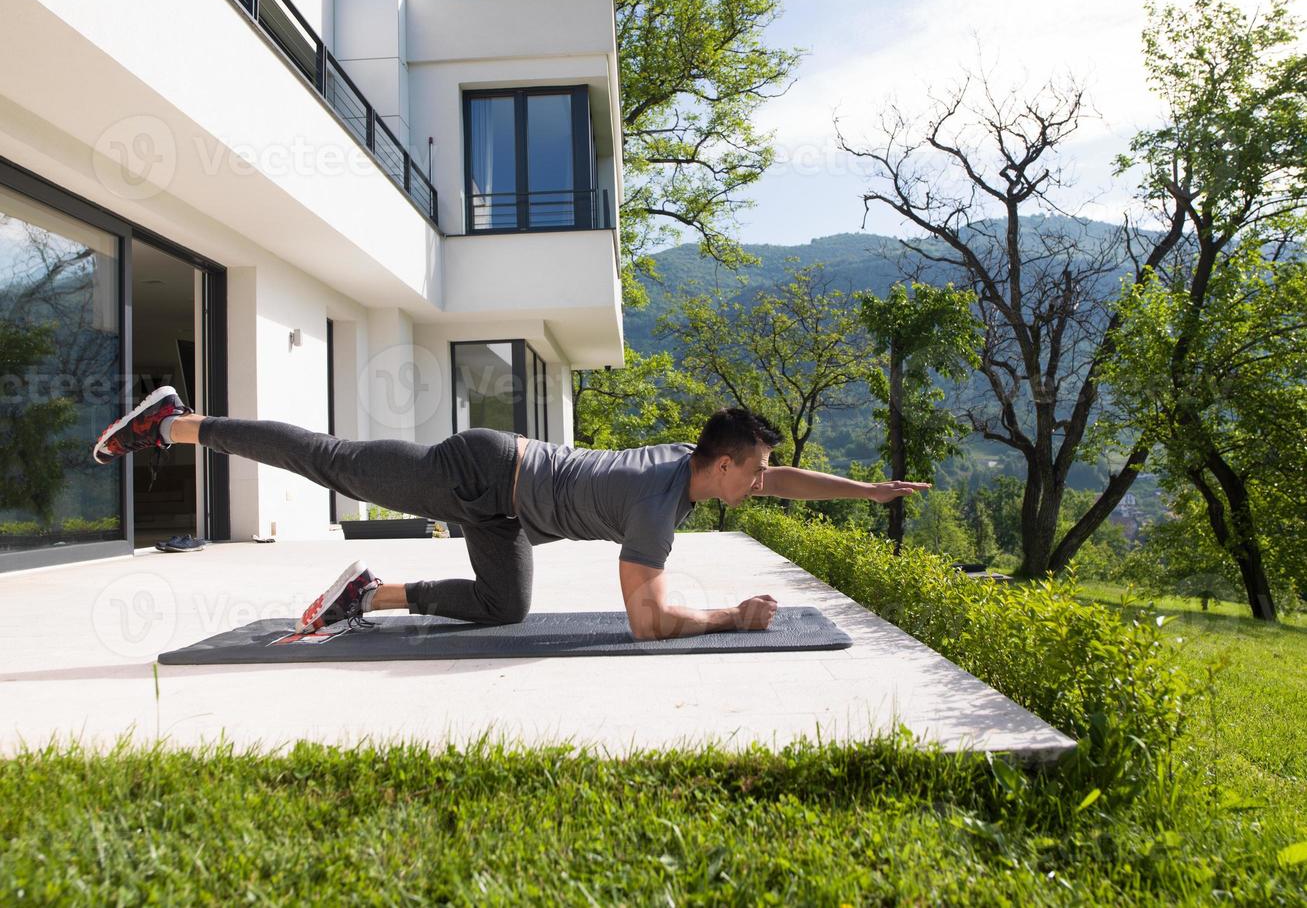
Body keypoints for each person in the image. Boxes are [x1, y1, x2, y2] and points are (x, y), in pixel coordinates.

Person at [92, 387, 930, 641]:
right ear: (719, 466)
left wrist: (868, 493)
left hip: (505, 509)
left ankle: (368, 596)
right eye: (750, 472)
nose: (760, 483)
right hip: (479, 474)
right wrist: (731, 616)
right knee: (332, 459)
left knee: (506, 606)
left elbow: (784, 482)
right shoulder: (656, 508)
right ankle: (173, 422)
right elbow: (647, 621)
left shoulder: (689, 462)